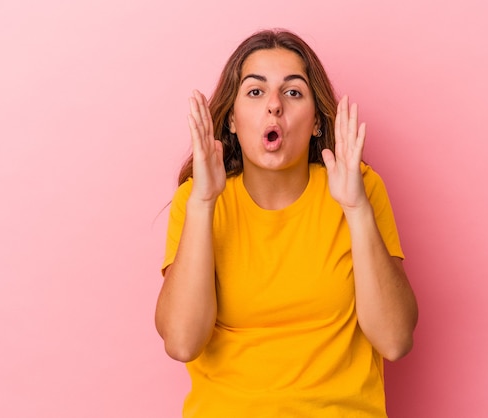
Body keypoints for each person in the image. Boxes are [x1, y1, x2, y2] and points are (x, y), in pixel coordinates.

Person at [155, 28, 418, 417]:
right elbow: (181, 343)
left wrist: (357, 209)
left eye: (293, 92)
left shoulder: (359, 188)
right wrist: (203, 203)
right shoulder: (198, 200)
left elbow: (395, 340)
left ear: (315, 122)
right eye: (256, 92)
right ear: (230, 120)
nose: (274, 105)